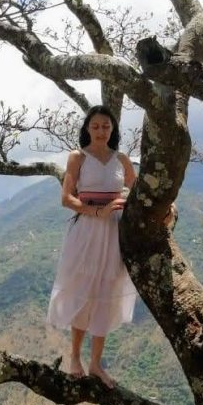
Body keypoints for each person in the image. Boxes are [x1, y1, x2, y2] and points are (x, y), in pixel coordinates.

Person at [46, 105, 137, 387]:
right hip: (87, 228)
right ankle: (75, 356)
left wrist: (167, 207)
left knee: (106, 292)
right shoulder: (78, 157)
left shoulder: (122, 159)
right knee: (83, 291)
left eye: (106, 126)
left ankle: (96, 363)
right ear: (87, 128)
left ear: (113, 129)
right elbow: (66, 198)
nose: (101, 131)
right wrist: (97, 212)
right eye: (95, 126)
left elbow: (138, 191)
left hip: (114, 231)